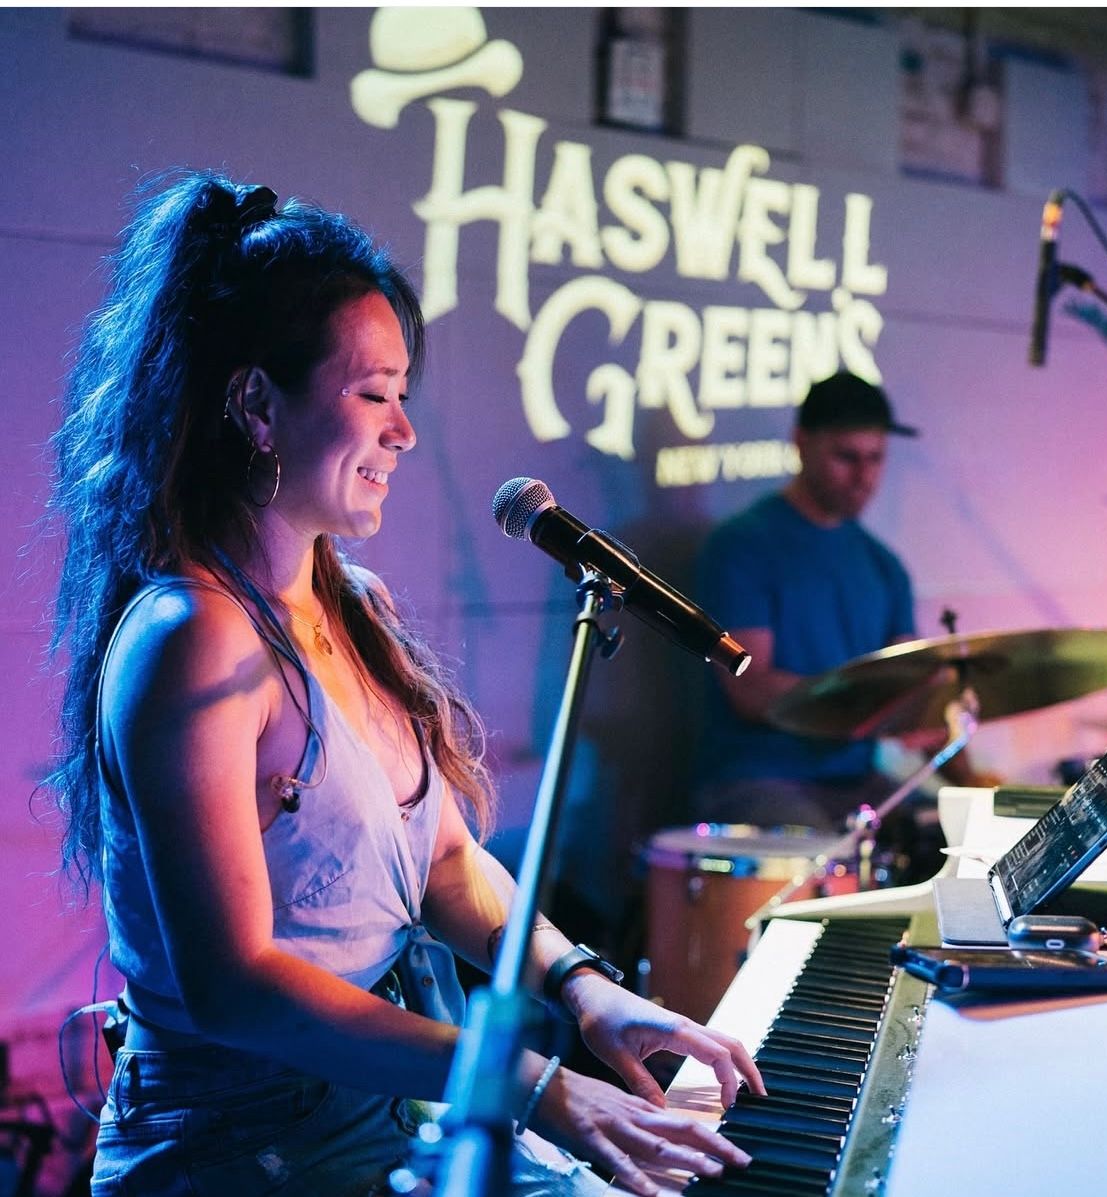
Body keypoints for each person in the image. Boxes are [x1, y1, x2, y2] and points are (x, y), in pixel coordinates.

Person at [45, 171, 761, 1197]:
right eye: (373, 395)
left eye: (403, 398)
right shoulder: (190, 635)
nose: (404, 432)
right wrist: (532, 1085)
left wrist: (585, 987)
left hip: (386, 1098)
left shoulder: (357, 603)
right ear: (255, 404)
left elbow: (448, 866)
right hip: (243, 1145)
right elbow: (236, 986)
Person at [693, 372, 994, 861]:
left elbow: (913, 689)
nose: (865, 477)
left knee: (963, 847)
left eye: (876, 459)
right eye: (846, 458)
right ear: (801, 443)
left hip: (857, 783)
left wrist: (976, 790)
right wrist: (868, 709)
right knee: (827, 859)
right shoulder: (742, 547)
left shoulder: (883, 564)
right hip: (758, 779)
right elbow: (749, 688)